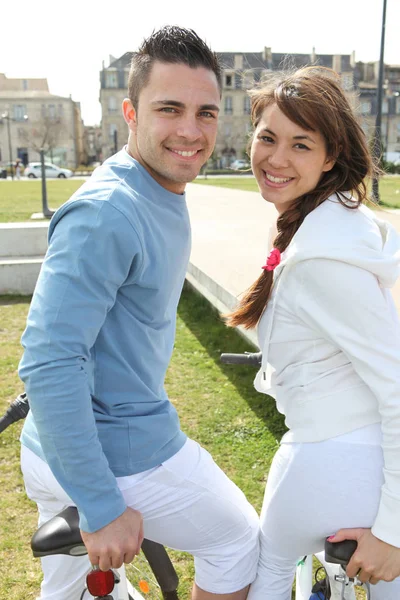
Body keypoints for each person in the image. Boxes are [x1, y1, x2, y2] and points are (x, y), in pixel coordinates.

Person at [19, 26, 259, 600]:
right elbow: (50, 359)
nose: (190, 131)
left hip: (53, 444)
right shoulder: (110, 213)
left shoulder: (153, 189)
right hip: (116, 453)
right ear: (130, 111)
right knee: (241, 543)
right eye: (169, 109)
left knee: (72, 592)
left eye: (205, 112)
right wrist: (102, 507)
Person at [226, 66, 400, 600]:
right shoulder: (334, 225)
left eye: (301, 144)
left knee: (262, 567)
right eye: (268, 138)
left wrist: (393, 531)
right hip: (355, 458)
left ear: (330, 157)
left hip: (333, 457)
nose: (276, 158)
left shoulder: (320, 259)